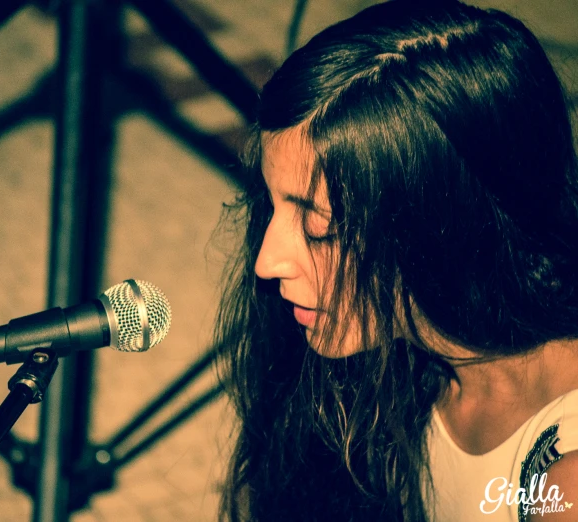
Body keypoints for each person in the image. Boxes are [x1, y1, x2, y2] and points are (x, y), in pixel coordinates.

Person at [213, 1, 578, 520]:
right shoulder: (397, 354)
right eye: (272, 206)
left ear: (445, 226)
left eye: (320, 228)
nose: (266, 262)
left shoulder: (565, 484)